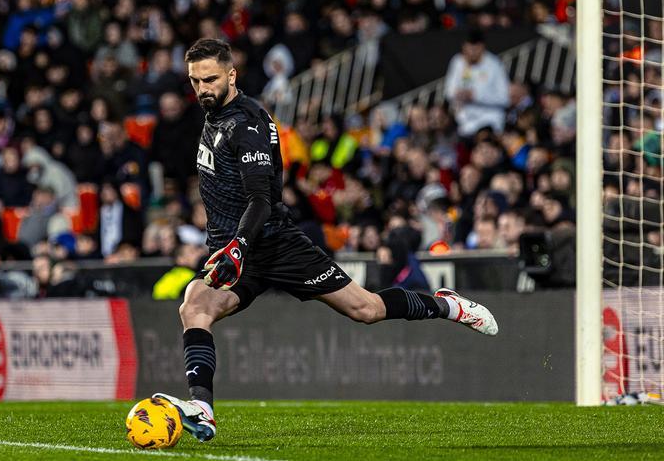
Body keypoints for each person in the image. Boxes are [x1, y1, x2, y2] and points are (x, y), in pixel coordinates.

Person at [154, 39, 499, 443]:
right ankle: (202, 409)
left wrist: (238, 247)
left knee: (365, 309)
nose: (202, 89)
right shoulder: (216, 115)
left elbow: (261, 199)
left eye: (210, 79)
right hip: (236, 250)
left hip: (272, 244)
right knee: (195, 304)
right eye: (195, 81)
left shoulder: (246, 124)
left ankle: (445, 305)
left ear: (232, 75)